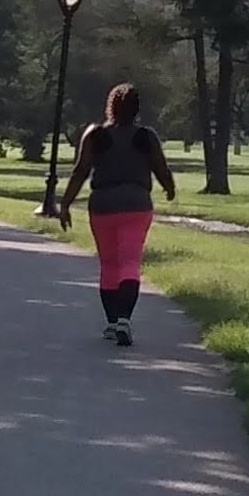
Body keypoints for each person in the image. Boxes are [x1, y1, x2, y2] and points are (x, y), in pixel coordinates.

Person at [69, 80, 176, 344]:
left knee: (109, 264)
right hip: (137, 205)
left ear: (110, 106)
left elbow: (81, 171)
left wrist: (65, 203)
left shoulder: (95, 135)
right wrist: (169, 188)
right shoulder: (145, 136)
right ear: (137, 108)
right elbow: (160, 168)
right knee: (130, 262)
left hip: (103, 205)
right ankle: (125, 320)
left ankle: (112, 321)